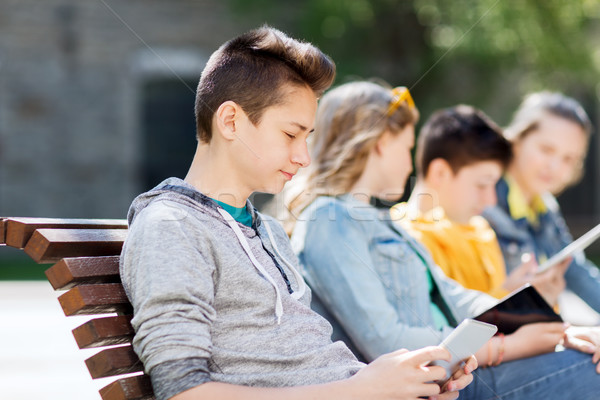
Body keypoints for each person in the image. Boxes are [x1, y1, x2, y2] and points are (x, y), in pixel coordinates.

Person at [120, 26, 474, 400]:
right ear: (230, 121)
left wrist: (405, 386)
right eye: (291, 135)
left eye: (307, 138)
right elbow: (183, 391)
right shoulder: (171, 227)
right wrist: (364, 389)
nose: (303, 157)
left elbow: (309, 364)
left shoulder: (268, 230)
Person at [288, 80, 600, 400]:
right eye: (407, 148)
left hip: (457, 373)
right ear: (381, 143)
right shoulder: (329, 219)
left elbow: (458, 298)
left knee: (587, 352)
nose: (411, 164)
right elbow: (385, 338)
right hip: (437, 381)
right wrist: (503, 346)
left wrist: (551, 328)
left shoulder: (381, 224)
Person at [392, 105, 567, 306]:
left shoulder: (481, 231)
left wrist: (534, 301)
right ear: (440, 173)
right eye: (482, 184)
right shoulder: (401, 240)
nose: (491, 200)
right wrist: (507, 299)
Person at [482, 92, 600, 315]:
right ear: (517, 140)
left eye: (569, 159)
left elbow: (574, 270)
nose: (555, 167)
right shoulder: (483, 201)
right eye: (546, 150)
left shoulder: (544, 205)